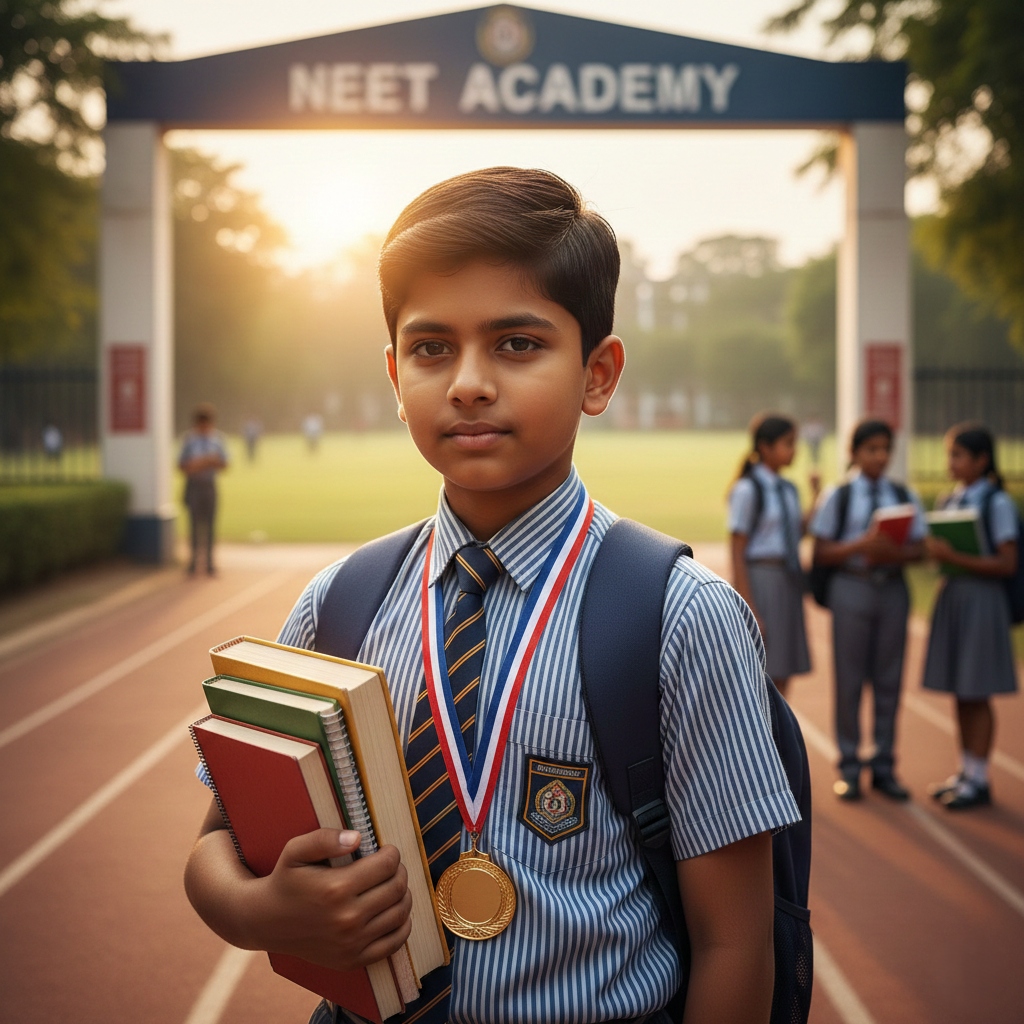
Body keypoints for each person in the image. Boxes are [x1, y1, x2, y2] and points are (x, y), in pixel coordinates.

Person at [183, 168, 800, 1024]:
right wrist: (258, 911)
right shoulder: (340, 606)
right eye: (434, 349)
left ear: (598, 372)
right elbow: (216, 845)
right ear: (396, 376)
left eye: (517, 344)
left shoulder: (681, 617)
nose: (469, 381)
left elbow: (735, 942)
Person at [809, 420, 926, 802]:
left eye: (885, 450)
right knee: (850, 679)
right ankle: (849, 766)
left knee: (890, 680)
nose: (879, 457)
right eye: (871, 449)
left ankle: (885, 765)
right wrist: (862, 545)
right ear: (854, 452)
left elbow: (922, 549)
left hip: (892, 588)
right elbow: (822, 550)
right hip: (852, 586)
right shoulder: (839, 496)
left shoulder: (902, 494)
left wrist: (894, 553)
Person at [922, 423, 1019, 810]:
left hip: (982, 600)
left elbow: (1007, 562)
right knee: (961, 689)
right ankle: (966, 771)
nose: (951, 463)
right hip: (956, 597)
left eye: (959, 455)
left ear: (982, 460)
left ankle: (980, 777)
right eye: (950, 455)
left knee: (977, 690)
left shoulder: (996, 503)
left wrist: (953, 557)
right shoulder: (950, 499)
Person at [727, 414, 818, 697]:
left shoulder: (788, 489)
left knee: (784, 664)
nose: (795, 450)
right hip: (763, 578)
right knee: (763, 667)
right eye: (787, 443)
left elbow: (793, 534)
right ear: (765, 447)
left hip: (788, 579)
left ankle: (778, 737)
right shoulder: (748, 489)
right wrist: (748, 604)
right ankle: (762, 736)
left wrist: (816, 498)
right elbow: (737, 547)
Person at [178, 402, 228, 577]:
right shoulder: (189, 441)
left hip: (210, 486)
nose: (205, 428)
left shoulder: (217, 439)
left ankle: (209, 562)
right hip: (194, 486)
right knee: (193, 525)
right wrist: (204, 462)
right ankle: (193, 562)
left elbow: (225, 464)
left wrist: (209, 463)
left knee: (211, 525)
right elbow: (182, 465)